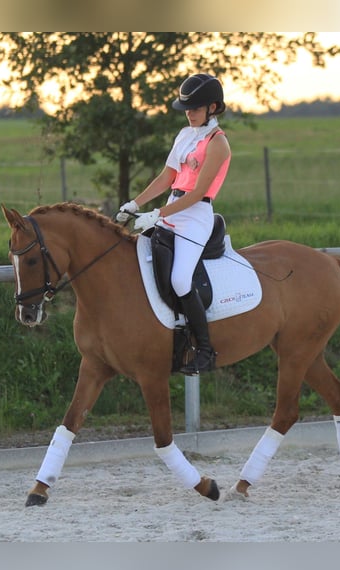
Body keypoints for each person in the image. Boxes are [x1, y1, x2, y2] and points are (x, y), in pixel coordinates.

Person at [116, 73, 231, 374]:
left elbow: (196, 193)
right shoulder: (184, 135)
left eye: (195, 108)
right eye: (186, 109)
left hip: (195, 216)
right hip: (171, 208)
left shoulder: (218, 145)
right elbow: (167, 178)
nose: (189, 113)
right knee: (141, 256)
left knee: (181, 279)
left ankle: (205, 350)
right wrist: (136, 203)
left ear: (213, 107)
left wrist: (158, 216)